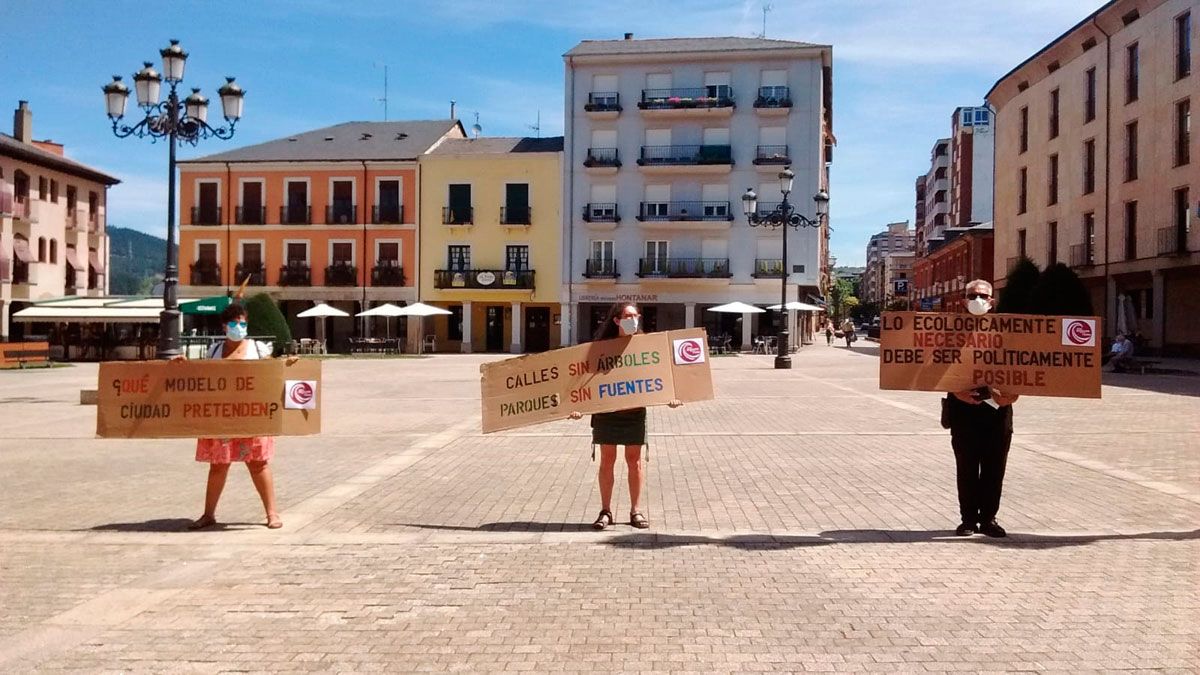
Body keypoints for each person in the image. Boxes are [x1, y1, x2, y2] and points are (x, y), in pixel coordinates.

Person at [570, 302, 680, 530]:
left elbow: (659, 374)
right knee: (607, 462)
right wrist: (577, 405)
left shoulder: (646, 346)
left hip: (634, 413)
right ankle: (605, 511)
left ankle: (635, 510)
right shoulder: (600, 348)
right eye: (628, 316)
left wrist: (672, 395)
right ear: (617, 320)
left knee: (635, 462)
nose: (634, 319)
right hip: (606, 414)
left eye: (636, 315)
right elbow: (585, 378)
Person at [182, 302, 291, 530]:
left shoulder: (258, 349)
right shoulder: (214, 351)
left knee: (258, 464)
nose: (239, 327)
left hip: (252, 415)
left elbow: (272, 373)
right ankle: (208, 514)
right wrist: (182, 366)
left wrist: (287, 366)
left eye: (242, 323)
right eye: (234, 323)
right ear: (224, 326)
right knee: (218, 465)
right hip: (221, 417)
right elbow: (201, 378)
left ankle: (272, 513)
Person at [943, 280, 1018, 538]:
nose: (977, 299)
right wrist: (957, 391)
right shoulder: (949, 331)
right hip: (963, 410)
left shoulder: (1008, 332)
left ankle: (988, 519)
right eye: (972, 295)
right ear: (963, 301)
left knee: (994, 468)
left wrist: (1011, 395)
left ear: (992, 301)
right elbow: (935, 368)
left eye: (982, 295)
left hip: (998, 410)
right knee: (966, 467)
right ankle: (967, 521)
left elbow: (1022, 369)